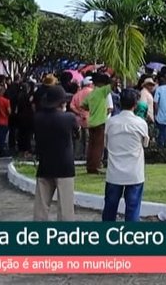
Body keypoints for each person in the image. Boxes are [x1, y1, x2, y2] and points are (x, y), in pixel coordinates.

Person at [103, 89, 149, 222]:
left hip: (114, 173)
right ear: (135, 104)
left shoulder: (111, 122)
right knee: (133, 209)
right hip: (134, 173)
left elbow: (106, 143)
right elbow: (145, 144)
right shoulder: (140, 123)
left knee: (110, 209)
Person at [33, 85, 77, 221]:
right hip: (65, 166)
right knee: (65, 208)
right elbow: (77, 133)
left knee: (41, 206)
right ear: (62, 103)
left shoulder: (38, 117)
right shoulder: (69, 118)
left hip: (45, 164)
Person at [83, 73, 113, 174]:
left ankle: (90, 165)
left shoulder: (91, 94)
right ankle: (96, 167)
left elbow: (83, 105)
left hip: (91, 122)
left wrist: (92, 109)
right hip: (100, 122)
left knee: (91, 145)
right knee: (98, 146)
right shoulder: (102, 91)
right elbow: (112, 85)